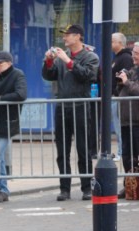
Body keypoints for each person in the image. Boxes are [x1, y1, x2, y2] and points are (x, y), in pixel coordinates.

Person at [42, 24, 99, 201]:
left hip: (80, 106)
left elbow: (88, 76)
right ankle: (64, 189)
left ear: (78, 36)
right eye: (64, 35)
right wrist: (48, 61)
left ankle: (86, 188)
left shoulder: (90, 56)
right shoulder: (61, 57)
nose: (64, 38)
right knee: (62, 150)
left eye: (68, 35)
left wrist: (68, 61)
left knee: (83, 149)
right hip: (62, 106)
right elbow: (49, 76)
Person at [0, 51, 28, 203]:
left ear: (9, 63)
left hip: (7, 122)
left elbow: (21, 94)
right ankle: (2, 190)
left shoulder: (17, 75)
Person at [116, 42, 139, 199]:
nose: (133, 56)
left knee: (137, 155)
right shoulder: (133, 70)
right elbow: (122, 90)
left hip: (137, 120)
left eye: (136, 53)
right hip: (126, 120)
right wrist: (121, 80)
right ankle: (129, 186)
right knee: (127, 156)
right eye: (133, 53)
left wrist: (126, 82)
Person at [111, 33, 134, 162]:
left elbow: (124, 78)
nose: (110, 43)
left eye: (112, 41)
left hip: (120, 98)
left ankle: (122, 151)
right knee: (118, 126)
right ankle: (122, 150)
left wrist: (116, 91)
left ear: (120, 43)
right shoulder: (116, 58)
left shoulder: (125, 58)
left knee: (120, 127)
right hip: (115, 97)